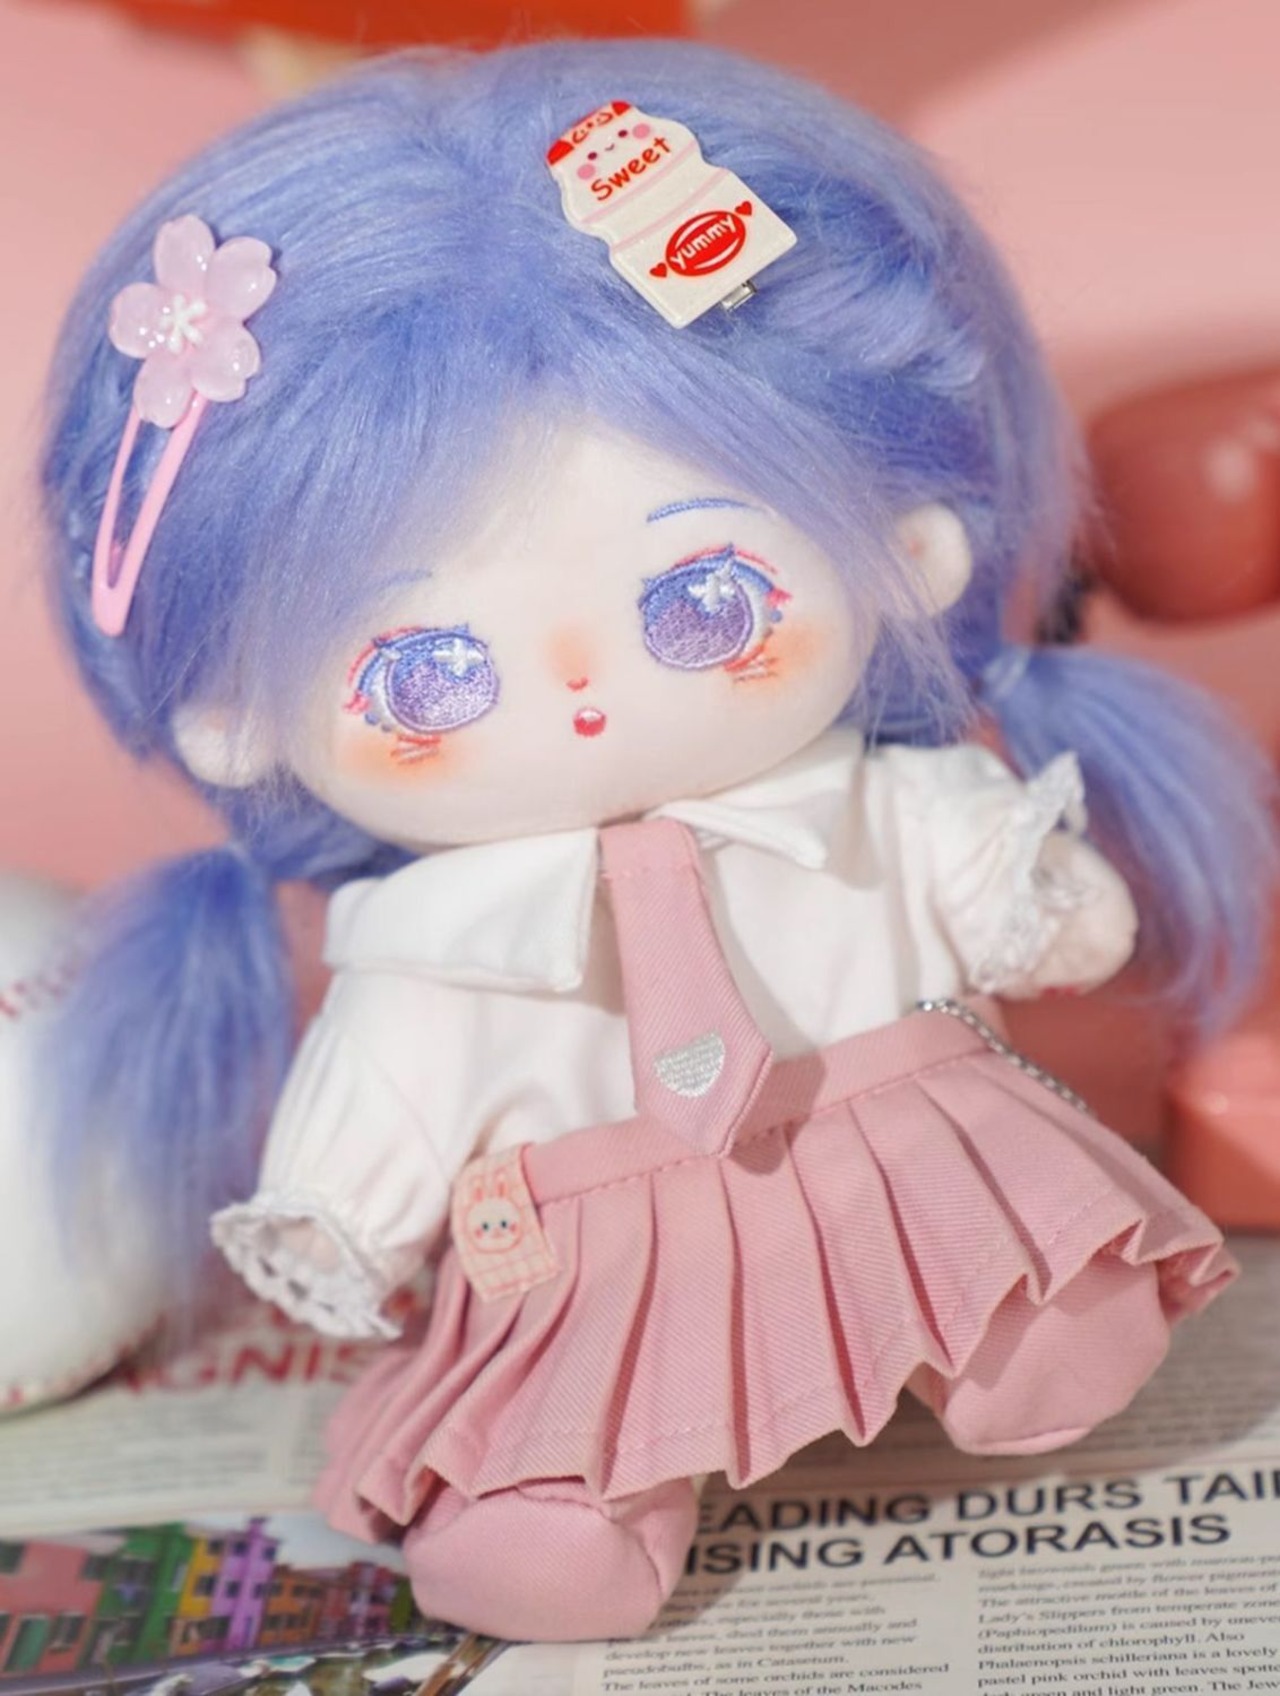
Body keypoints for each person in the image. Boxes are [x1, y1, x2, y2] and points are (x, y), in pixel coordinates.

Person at [41, 41, 1274, 1640]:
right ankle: (570, 1491)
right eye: (429, 674)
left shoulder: (866, 808)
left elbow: (986, 875)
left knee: (1015, 1280)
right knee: (572, 1407)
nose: (581, 699)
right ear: (242, 724)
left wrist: (1024, 895)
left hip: (884, 1145)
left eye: (703, 602)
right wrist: (346, 1211)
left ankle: (1003, 1312)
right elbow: (394, 1087)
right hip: (596, 1242)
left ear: (904, 554)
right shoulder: (437, 955)